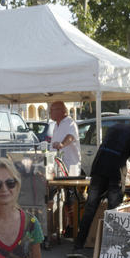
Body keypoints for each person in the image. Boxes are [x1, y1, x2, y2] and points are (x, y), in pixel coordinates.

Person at [72, 120, 130, 251]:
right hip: (115, 172)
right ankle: (110, 248)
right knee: (113, 212)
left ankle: (78, 245)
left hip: (98, 169)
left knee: (90, 209)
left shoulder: (114, 127)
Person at [50, 101, 81, 235]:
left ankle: (73, 228)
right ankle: (58, 227)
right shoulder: (55, 125)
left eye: (52, 110)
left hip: (70, 168)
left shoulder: (69, 122)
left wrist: (62, 144)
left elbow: (70, 137)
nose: (50, 112)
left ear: (62, 111)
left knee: (70, 199)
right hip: (57, 168)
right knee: (54, 197)